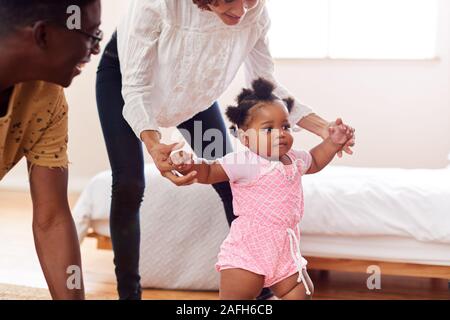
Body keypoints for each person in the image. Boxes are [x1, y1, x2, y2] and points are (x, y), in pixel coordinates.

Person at [96, 0, 355, 300]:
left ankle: (261, 288)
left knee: (233, 182)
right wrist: (154, 144)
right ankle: (129, 295)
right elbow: (137, 89)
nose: (243, 10)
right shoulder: (158, 5)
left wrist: (325, 130)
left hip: (195, 97)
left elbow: (266, 86)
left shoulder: (254, 12)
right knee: (129, 184)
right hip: (126, 82)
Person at [171, 78, 355, 299]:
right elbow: (209, 172)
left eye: (285, 126)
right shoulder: (244, 162)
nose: (280, 133)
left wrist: (333, 143)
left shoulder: (294, 159)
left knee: (302, 293)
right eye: (268, 129)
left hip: (284, 253)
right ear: (245, 138)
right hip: (248, 253)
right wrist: (188, 164)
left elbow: (315, 161)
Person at [0, 0, 102, 299]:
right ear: (43, 35)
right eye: (91, 35)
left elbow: (52, 218)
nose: (95, 49)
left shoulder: (47, 97)